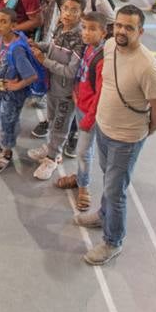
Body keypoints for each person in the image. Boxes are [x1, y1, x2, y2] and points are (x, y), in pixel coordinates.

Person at [76, 5, 156, 266]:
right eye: (118, 25)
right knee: (108, 179)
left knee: (116, 191)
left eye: (129, 27)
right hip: (104, 129)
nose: (122, 31)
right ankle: (103, 215)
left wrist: (139, 132)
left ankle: (112, 241)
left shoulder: (148, 68)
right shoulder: (108, 48)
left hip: (126, 139)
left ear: (141, 31)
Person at [26, 0, 87, 181]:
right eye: (65, 9)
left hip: (66, 92)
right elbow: (52, 47)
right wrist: (38, 45)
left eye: (74, 10)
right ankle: (51, 147)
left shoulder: (79, 39)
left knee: (61, 125)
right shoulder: (61, 27)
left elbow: (70, 71)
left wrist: (45, 61)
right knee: (52, 120)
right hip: (52, 86)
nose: (68, 13)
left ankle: (52, 158)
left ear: (82, 14)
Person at [52, 13, 107, 212]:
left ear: (104, 32)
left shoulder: (102, 59)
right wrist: (75, 91)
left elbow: (100, 96)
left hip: (90, 115)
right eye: (84, 27)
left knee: (84, 152)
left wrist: (88, 120)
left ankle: (83, 187)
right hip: (80, 105)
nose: (86, 32)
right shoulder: (88, 49)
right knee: (83, 151)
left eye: (92, 29)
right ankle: (80, 177)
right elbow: (81, 74)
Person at [0, 8, 39, 171]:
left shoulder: (16, 49)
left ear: (14, 25)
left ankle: (6, 153)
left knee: (7, 123)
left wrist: (17, 86)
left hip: (11, 96)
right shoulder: (0, 38)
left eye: (3, 22)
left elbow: (32, 76)